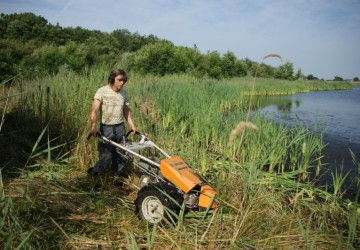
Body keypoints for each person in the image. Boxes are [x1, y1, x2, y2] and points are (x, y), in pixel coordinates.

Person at [88, 69, 137, 176]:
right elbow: (94, 110)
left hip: (120, 128)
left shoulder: (124, 93)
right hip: (106, 129)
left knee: (120, 155)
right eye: (119, 80)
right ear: (112, 79)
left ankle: (117, 178)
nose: (122, 82)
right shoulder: (102, 91)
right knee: (106, 156)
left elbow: (126, 110)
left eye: (124, 80)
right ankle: (94, 174)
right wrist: (93, 126)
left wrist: (132, 126)